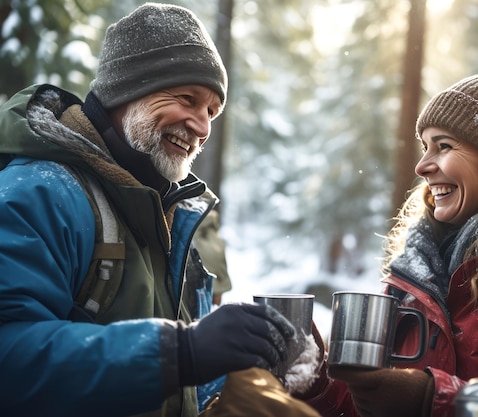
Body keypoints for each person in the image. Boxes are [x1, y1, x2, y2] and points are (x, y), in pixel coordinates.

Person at [0, 3, 297, 417]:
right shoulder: (41, 192)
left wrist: (240, 369)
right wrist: (179, 353)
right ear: (129, 89)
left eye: (212, 111)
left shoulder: (169, 214)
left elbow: (174, 381)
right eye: (187, 98)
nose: (203, 126)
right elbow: (10, 355)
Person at [299, 69, 478, 417]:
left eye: (444, 146)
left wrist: (433, 400)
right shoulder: (412, 278)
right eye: (424, 147)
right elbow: (361, 406)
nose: (421, 166)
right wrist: (316, 383)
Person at [192, 209, 232, 306]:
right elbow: (221, 266)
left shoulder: (195, 236)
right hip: (215, 286)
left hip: (199, 287)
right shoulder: (218, 240)